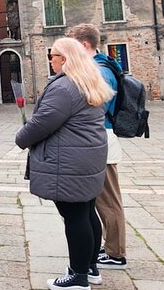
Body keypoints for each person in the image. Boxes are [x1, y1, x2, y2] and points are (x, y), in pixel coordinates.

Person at [15, 38, 113, 290]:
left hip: (71, 161)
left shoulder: (64, 87)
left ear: (65, 58)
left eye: (53, 55)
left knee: (74, 216)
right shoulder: (85, 80)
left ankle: (78, 277)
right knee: (86, 211)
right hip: (87, 158)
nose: (51, 59)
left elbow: (43, 122)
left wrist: (21, 138)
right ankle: (89, 267)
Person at [68, 23, 128, 271]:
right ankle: (111, 247)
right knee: (99, 198)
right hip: (97, 139)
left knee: (108, 199)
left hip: (101, 138)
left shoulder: (100, 71)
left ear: (84, 45)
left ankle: (116, 253)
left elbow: (94, 108)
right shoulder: (100, 67)